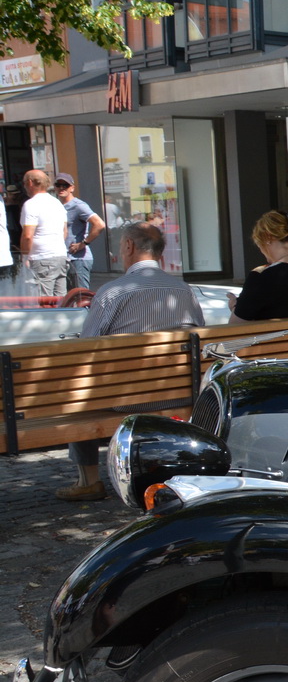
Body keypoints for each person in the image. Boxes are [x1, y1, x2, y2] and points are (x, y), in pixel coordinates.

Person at [56, 222, 205, 501]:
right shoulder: (183, 291)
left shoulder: (114, 292)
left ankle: (88, 479)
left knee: (77, 395)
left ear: (128, 247)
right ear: (160, 253)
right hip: (179, 394)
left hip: (127, 399)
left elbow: (86, 348)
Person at [229, 210, 288, 322]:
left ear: (268, 238)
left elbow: (234, 326)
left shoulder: (261, 278)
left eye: (259, 244)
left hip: (272, 339)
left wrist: (233, 307)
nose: (261, 250)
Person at [19, 169, 69, 298]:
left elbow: (28, 236)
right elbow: (64, 232)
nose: (24, 186)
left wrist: (25, 257)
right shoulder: (57, 203)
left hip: (41, 258)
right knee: (61, 300)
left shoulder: (31, 204)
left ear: (30, 182)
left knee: (43, 301)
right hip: (60, 255)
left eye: (24, 183)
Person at [54, 173, 105, 292]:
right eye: (58, 184)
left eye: (65, 185)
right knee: (68, 299)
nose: (61, 188)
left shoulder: (78, 205)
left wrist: (83, 244)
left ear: (72, 188)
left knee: (80, 298)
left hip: (78, 260)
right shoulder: (56, 206)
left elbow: (99, 224)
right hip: (65, 258)